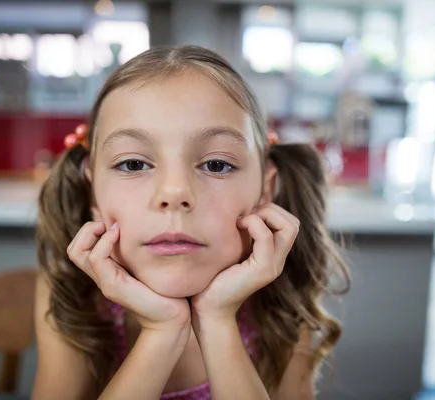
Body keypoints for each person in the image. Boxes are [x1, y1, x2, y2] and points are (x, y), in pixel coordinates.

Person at [32, 45, 350, 400]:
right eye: (133, 164)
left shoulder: (283, 296)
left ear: (265, 189)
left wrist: (217, 321)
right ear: (93, 191)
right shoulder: (72, 290)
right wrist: (162, 330)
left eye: (216, 164)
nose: (175, 192)